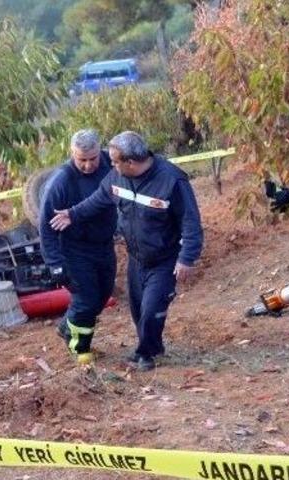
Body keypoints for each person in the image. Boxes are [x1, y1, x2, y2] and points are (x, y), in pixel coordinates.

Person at [50, 131, 203, 371]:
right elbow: (98, 199)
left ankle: (145, 354)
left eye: (114, 161)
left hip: (164, 259)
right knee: (139, 308)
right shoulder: (117, 177)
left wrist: (187, 258)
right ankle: (153, 344)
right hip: (136, 257)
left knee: (153, 308)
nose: (110, 165)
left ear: (130, 162)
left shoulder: (171, 181)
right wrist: (72, 214)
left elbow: (191, 222)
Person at [38, 129, 118, 366]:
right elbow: (46, 226)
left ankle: (66, 327)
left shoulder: (110, 164)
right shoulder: (61, 181)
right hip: (75, 249)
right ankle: (80, 349)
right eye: (81, 159)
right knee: (85, 300)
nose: (88, 165)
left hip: (104, 245)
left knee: (102, 296)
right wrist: (55, 264)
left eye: (92, 158)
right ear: (72, 153)